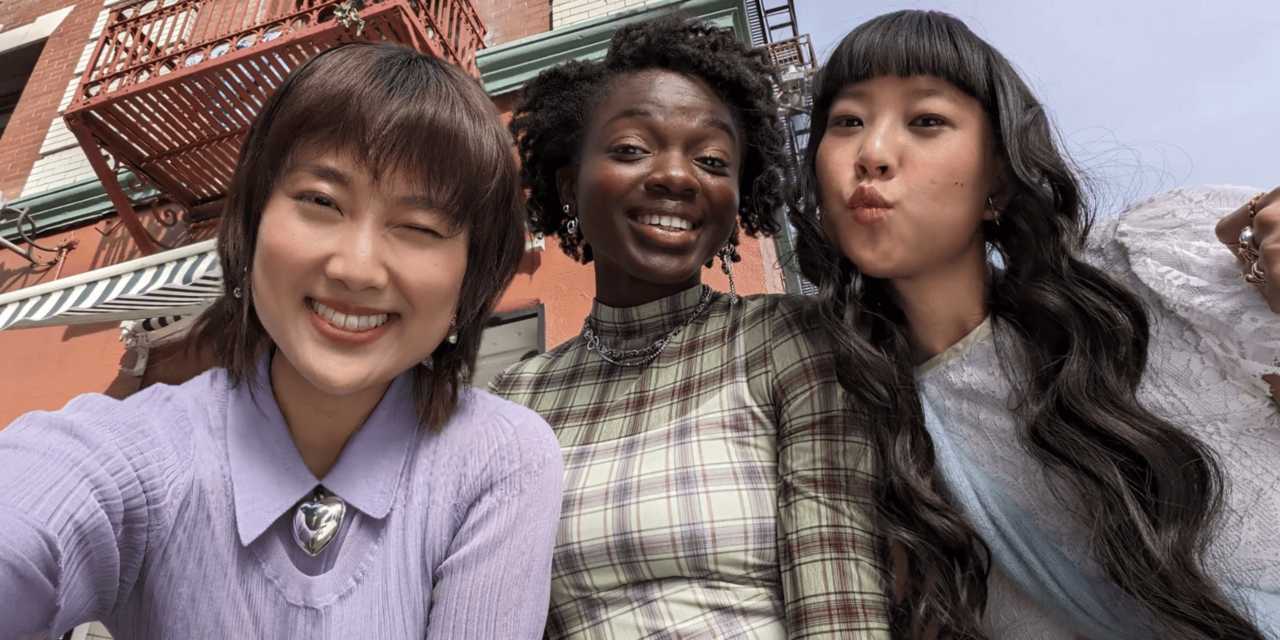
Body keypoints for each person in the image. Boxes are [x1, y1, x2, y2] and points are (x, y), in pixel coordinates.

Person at [0, 42, 562, 639]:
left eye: (420, 227)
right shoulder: (143, 448)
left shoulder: (500, 457)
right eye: (321, 201)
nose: (357, 268)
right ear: (253, 221)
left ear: (469, 279)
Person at [791, 10, 1278, 639]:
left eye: (926, 121)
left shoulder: (1136, 277)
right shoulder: (848, 415)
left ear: (996, 177)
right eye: (847, 122)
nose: (873, 154)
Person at [492, 14, 889, 639]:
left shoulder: (789, 342)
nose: (676, 176)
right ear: (569, 186)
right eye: (631, 149)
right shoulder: (513, 401)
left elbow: (841, 603)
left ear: (736, 199)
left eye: (710, 159)